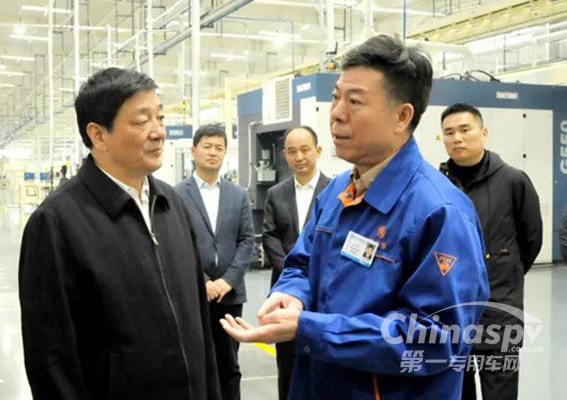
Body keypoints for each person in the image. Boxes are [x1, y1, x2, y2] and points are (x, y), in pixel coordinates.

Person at [220, 34, 490, 399]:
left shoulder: (440, 213)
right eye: (336, 97)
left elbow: (436, 339)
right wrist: (291, 294)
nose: (336, 113)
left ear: (402, 116)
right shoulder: (337, 193)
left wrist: (313, 328)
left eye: (355, 101)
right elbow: (302, 262)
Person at [18, 68, 220, 400]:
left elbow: (200, 324)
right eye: (142, 121)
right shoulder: (56, 223)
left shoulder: (171, 205)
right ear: (98, 135)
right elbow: (51, 361)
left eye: (160, 117)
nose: (158, 132)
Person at [439, 102, 543, 400]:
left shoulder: (513, 181)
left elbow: (531, 240)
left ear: (483, 133)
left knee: (501, 391)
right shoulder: (437, 185)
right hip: (451, 312)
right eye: (449, 132)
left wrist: (502, 273)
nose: (457, 138)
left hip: (500, 312)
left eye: (465, 129)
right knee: (457, 391)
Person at [175, 124, 254, 400]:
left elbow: (246, 241)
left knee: (229, 365)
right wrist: (204, 282)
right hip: (194, 295)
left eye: (219, 148)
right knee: (196, 363)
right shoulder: (176, 195)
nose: (213, 152)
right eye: (207, 146)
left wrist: (227, 281)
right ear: (193, 151)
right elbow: (177, 244)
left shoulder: (238, 194)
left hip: (230, 296)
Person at [262, 125, 331, 400]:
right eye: (292, 151)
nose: (299, 157)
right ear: (285, 155)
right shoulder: (276, 194)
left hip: (325, 291)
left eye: (305, 149)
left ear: (318, 151)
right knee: (288, 363)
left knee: (324, 363)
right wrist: (294, 274)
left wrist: (314, 276)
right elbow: (270, 236)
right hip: (284, 291)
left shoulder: (336, 190)